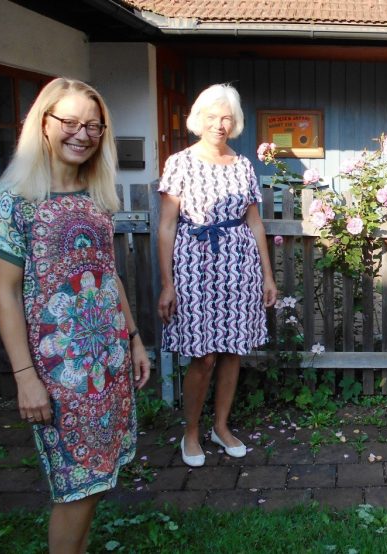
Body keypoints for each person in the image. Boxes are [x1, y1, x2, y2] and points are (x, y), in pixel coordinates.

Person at [0, 77, 151, 553]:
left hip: (106, 360)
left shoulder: (95, 195)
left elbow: (107, 275)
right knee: (74, 486)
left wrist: (133, 339)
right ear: (43, 123)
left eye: (93, 126)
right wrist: (25, 378)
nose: (82, 134)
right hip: (59, 368)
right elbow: (7, 294)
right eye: (70, 122)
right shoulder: (15, 200)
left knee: (96, 480)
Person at [157, 83, 277, 467]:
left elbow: (255, 223)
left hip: (239, 266)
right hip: (193, 266)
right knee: (203, 356)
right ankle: (191, 431)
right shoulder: (179, 162)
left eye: (226, 117)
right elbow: (166, 225)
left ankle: (220, 427)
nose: (219, 124)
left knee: (232, 351)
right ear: (199, 118)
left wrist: (268, 276)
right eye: (212, 116)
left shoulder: (243, 165)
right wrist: (167, 284)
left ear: (234, 122)